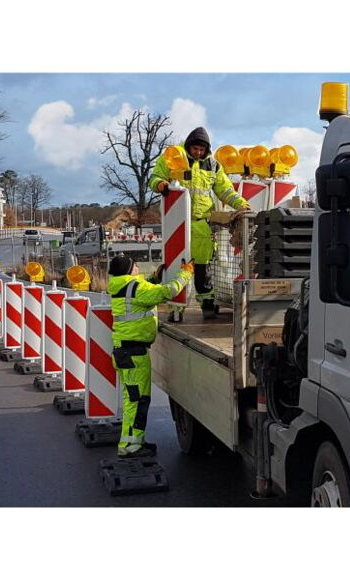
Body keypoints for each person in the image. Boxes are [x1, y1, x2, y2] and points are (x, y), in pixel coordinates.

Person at [149, 126, 251, 321]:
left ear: (207, 149)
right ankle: (175, 308)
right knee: (177, 266)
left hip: (201, 223)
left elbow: (225, 190)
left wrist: (241, 204)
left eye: (201, 149)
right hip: (177, 221)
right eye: (195, 148)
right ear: (188, 146)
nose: (197, 152)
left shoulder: (212, 165)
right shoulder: (174, 156)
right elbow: (155, 177)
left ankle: (207, 304)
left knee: (203, 268)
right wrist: (160, 185)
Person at [108, 255, 194, 458]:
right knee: (137, 401)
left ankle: (133, 442)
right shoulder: (136, 288)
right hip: (134, 353)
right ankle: (130, 446)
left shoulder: (122, 286)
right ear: (130, 270)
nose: (138, 267)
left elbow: (142, 293)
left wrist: (154, 278)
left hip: (125, 352)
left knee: (133, 400)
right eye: (135, 265)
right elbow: (168, 291)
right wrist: (186, 273)